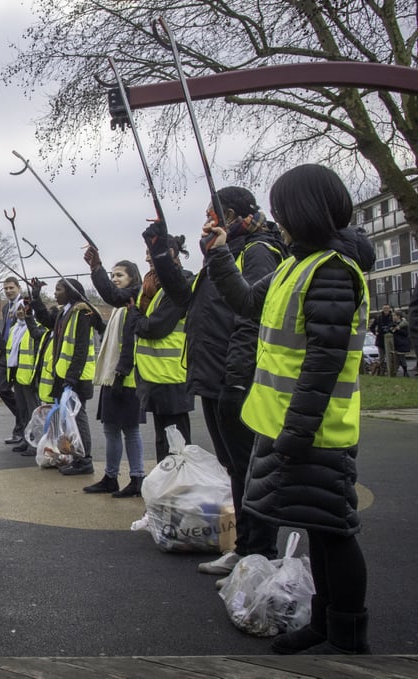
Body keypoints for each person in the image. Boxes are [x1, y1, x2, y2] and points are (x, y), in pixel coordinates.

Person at [205, 163, 375, 655]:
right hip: (288, 425)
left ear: (304, 211)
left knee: (335, 533)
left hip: (315, 430)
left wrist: (297, 431)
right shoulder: (295, 264)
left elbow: (323, 363)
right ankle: (325, 622)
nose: (275, 217)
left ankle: (346, 634)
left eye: (281, 209)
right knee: (321, 530)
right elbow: (246, 302)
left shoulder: (333, 272)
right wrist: (218, 256)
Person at [146, 187, 286, 577]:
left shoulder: (255, 251)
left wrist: (238, 379)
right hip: (213, 374)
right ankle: (245, 548)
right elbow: (184, 298)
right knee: (234, 466)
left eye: (214, 214)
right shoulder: (220, 254)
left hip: (236, 378)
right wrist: (160, 250)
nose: (207, 222)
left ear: (237, 215)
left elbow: (252, 318)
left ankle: (259, 552)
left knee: (248, 466)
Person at [86, 235, 194, 463]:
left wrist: (135, 318)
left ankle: (180, 488)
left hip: (173, 375)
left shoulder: (181, 283)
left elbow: (154, 327)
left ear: (170, 253)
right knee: (163, 443)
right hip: (153, 375)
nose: (147, 257)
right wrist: (96, 267)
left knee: (177, 444)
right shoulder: (148, 287)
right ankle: (166, 486)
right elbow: (115, 297)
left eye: (151, 251)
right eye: (145, 252)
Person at [84, 260, 146, 497]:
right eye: (112, 275)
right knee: (110, 430)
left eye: (120, 275)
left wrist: (121, 373)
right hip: (112, 377)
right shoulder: (120, 308)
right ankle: (111, 476)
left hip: (125, 379)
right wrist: (98, 324)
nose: (115, 279)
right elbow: (112, 338)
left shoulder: (132, 304)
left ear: (133, 278)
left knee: (130, 431)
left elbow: (129, 342)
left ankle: (137, 477)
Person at [30, 278, 103, 475]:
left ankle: (84, 459)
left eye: (59, 289)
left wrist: (71, 379)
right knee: (69, 421)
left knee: (78, 419)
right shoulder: (65, 312)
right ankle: (76, 456)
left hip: (77, 377)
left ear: (70, 292)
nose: (55, 293)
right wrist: (36, 298)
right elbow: (46, 320)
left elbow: (80, 348)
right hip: (65, 375)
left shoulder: (81, 313)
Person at [1, 294, 47, 455]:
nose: (20, 312)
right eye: (17, 309)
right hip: (17, 375)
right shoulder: (15, 329)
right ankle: (26, 439)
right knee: (23, 411)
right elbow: (9, 351)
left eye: (23, 309)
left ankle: (36, 443)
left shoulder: (36, 327)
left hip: (30, 377)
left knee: (34, 411)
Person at [0, 276, 26, 445]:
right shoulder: (6, 308)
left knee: (22, 394)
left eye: (11, 288)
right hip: (5, 352)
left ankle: (21, 429)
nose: (8, 291)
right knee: (3, 390)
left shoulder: (25, 305)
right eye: (5, 289)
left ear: (19, 288)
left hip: (19, 355)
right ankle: (22, 422)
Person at [390, 311, 411, 377]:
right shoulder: (393, 324)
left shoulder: (404, 324)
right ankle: (395, 372)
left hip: (402, 343)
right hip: (395, 343)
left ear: (398, 316)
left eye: (394, 316)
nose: (393, 317)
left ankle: (405, 372)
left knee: (402, 358)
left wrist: (399, 329)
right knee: (396, 359)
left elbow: (406, 333)